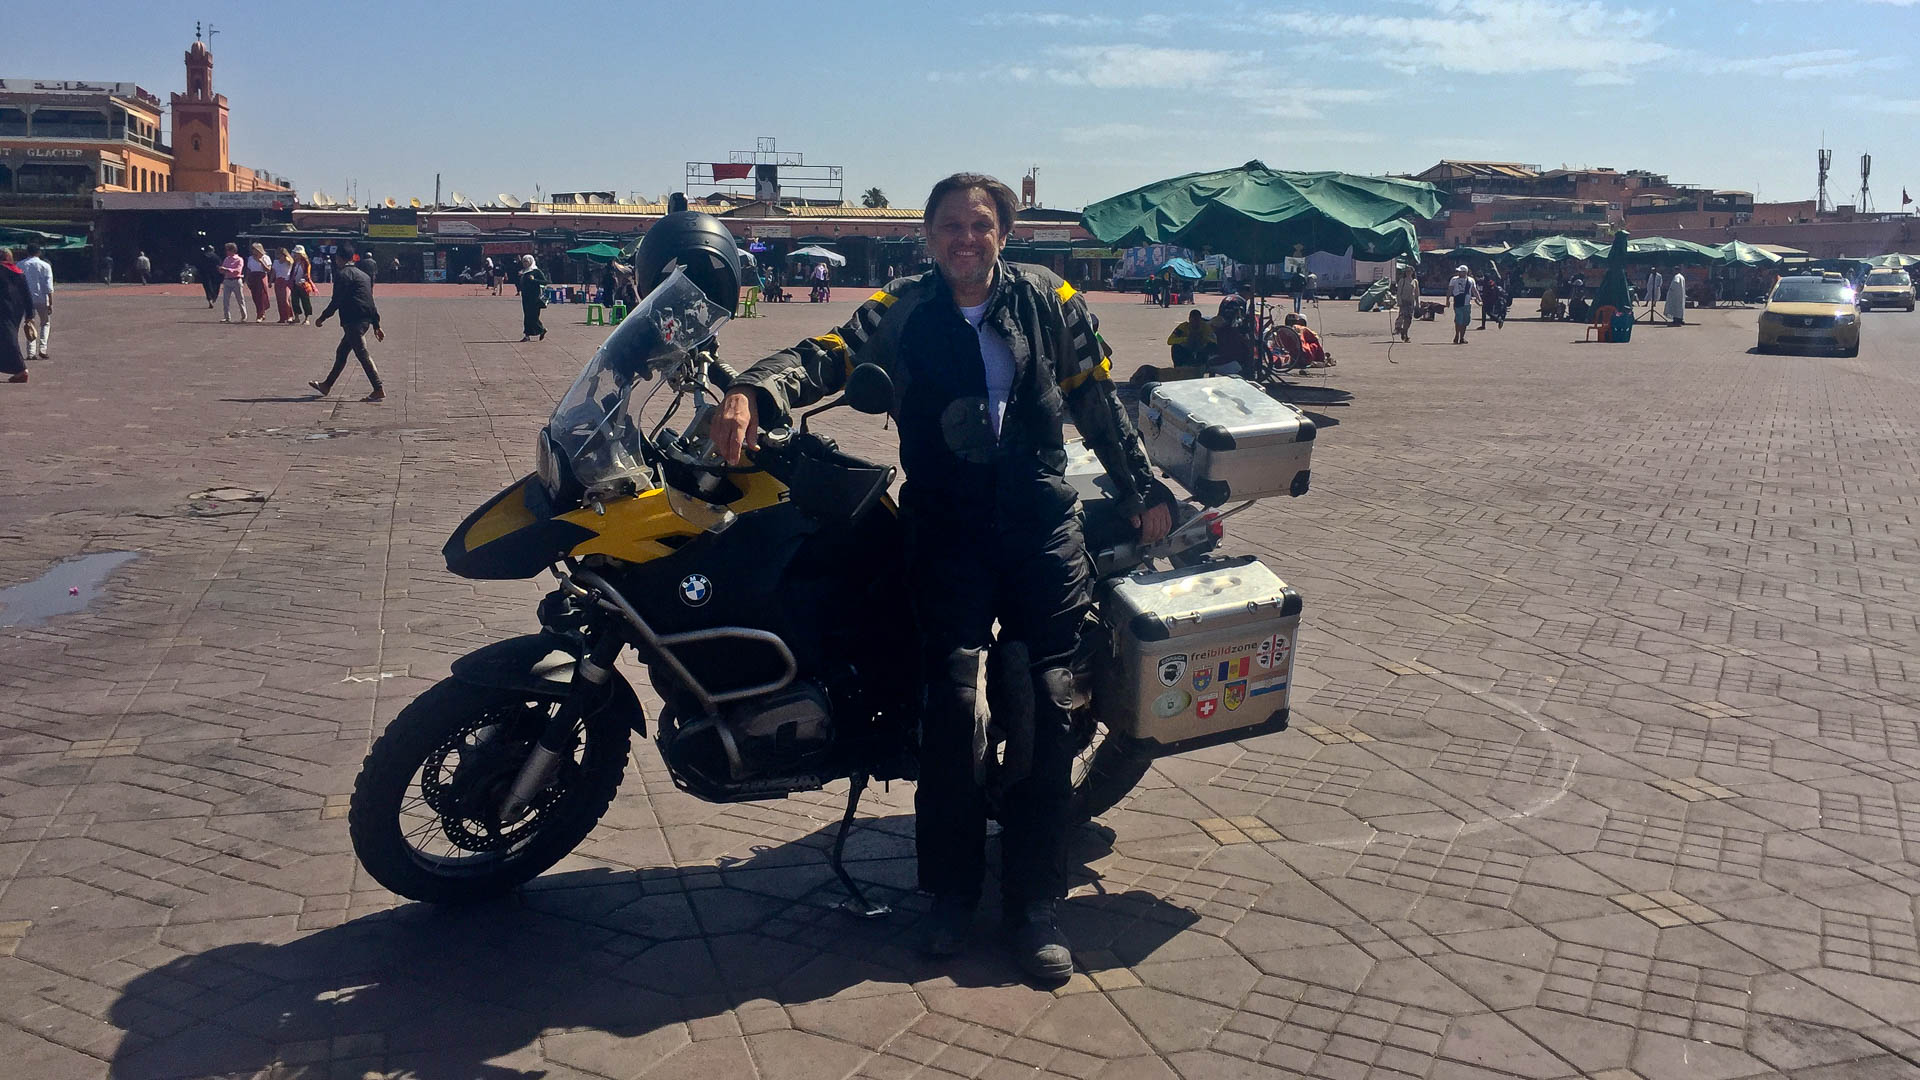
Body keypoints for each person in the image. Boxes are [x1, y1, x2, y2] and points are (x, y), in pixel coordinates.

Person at [711, 174, 1173, 982]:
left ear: (1004, 233)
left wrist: (1142, 492)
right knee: (950, 715)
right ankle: (950, 896)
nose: (967, 238)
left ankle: (1034, 906)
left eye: (982, 225)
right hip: (946, 530)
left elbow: (1097, 396)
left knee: (1044, 714)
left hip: (1038, 528)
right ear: (928, 237)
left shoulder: (1050, 297)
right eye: (951, 226)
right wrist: (753, 389)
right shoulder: (903, 308)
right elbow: (828, 355)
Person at [309, 244, 386, 402]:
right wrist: (376, 324)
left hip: (353, 320)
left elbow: (337, 300)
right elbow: (370, 301)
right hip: (365, 319)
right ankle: (326, 385)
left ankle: (378, 388)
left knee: (362, 354)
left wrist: (323, 317)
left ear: (339, 258)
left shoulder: (343, 274)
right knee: (342, 352)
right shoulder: (363, 275)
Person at [19, 244, 54, 363]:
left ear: (27, 252)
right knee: (45, 323)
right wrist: (50, 303)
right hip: (42, 298)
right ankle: (42, 349)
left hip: (26, 299)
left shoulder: (20, 265)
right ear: (38, 252)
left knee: (29, 323)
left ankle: (30, 352)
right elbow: (49, 287)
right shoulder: (45, 265)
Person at [1, 249, 31, 383]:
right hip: (16, 310)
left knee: (8, 338)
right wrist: (30, 314)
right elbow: (27, 294)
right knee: (8, 337)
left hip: (3, 309)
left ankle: (21, 369)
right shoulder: (18, 272)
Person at [515, 254, 549, 341]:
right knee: (527, 316)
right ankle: (527, 335)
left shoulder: (536, 271)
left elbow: (545, 282)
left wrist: (534, 280)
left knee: (533, 316)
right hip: (526, 297)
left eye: (527, 262)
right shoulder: (524, 272)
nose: (525, 264)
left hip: (534, 297)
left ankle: (541, 330)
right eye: (524, 262)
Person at [217, 243, 249, 322]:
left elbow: (238, 271)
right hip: (227, 280)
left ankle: (244, 316)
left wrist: (227, 269)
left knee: (240, 299)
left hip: (236, 280)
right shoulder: (226, 259)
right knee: (225, 300)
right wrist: (221, 270)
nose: (227, 252)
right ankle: (227, 317)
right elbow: (223, 271)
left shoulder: (239, 259)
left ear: (233, 250)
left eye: (228, 250)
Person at [1448, 264, 1478, 344]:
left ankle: (1462, 337)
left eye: (1460, 272)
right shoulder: (1454, 280)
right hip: (1458, 302)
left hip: (1467, 303)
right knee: (1458, 320)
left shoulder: (1471, 280)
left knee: (1465, 321)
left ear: (1465, 272)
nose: (1458, 273)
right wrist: (1447, 300)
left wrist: (1479, 299)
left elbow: (1474, 290)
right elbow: (1450, 290)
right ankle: (1457, 335)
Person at [244, 243, 272, 323]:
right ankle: (260, 312)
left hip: (261, 276)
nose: (253, 251)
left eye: (254, 249)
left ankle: (260, 314)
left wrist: (261, 261)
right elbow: (249, 269)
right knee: (255, 296)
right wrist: (247, 279)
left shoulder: (266, 257)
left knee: (262, 295)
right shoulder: (250, 258)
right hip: (253, 277)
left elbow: (268, 269)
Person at [289, 245, 315, 324]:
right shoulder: (294, 263)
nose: (295, 255)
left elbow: (307, 274)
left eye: (296, 253)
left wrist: (303, 281)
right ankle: (296, 317)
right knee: (295, 301)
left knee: (305, 301)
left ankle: (307, 318)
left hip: (303, 285)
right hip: (295, 284)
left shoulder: (306, 263)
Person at [1393, 264, 1419, 342]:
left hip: (1411, 302)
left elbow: (1417, 293)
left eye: (1409, 271)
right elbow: (1399, 292)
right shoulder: (1402, 280)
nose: (1408, 273)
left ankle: (1404, 332)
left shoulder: (1415, 281)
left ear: (1412, 272)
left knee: (1409, 319)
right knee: (1402, 317)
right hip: (1404, 302)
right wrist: (1399, 301)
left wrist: (1417, 303)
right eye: (1407, 271)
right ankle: (1403, 333)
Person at [271, 247, 296, 323]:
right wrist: (270, 281)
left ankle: (290, 316)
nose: (279, 256)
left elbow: (291, 262)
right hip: (278, 281)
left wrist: (287, 258)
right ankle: (282, 317)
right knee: (280, 300)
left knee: (286, 299)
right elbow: (273, 272)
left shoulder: (288, 262)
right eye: (278, 254)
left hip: (286, 281)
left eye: (281, 254)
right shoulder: (275, 262)